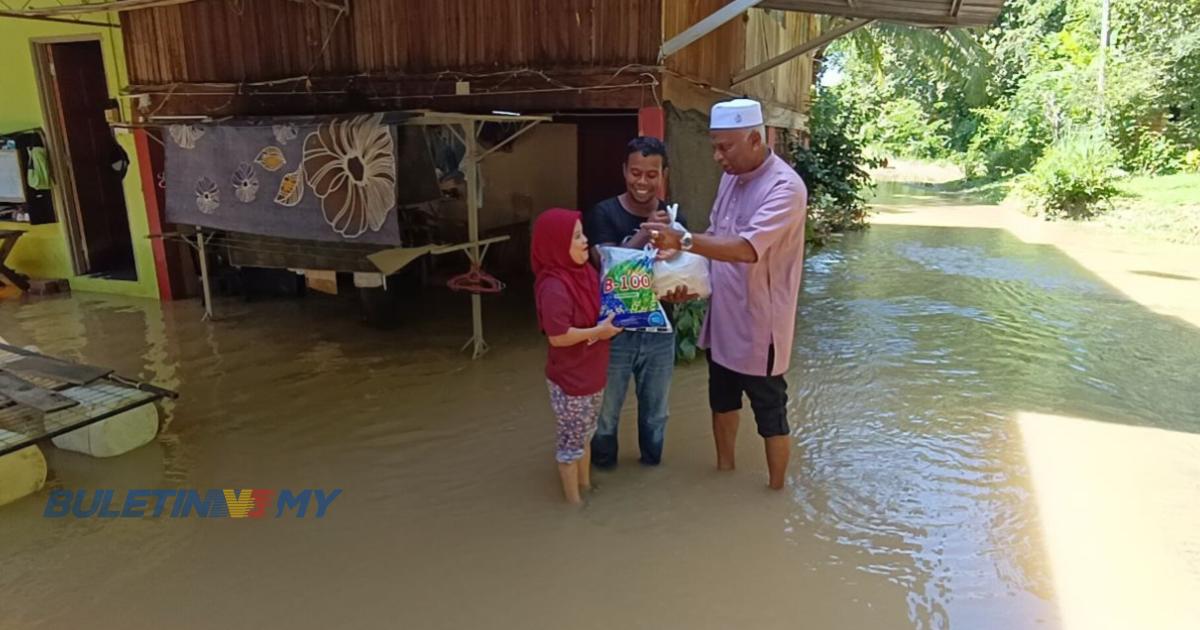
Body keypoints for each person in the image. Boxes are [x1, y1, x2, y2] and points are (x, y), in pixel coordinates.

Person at [644, 99, 808, 490]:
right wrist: (686, 277)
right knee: (721, 400)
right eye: (714, 146)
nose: (718, 157)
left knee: (770, 413)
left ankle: (776, 491)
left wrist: (682, 240)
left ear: (755, 139)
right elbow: (716, 239)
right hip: (722, 316)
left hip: (760, 324)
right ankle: (723, 470)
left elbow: (746, 249)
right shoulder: (731, 176)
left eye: (725, 147)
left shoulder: (786, 188)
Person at [583, 137, 691, 468]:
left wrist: (682, 292)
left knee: (657, 415)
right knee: (606, 414)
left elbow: (681, 268)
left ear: (664, 175)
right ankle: (603, 478)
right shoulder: (603, 213)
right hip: (614, 331)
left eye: (651, 174)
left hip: (661, 330)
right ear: (624, 171)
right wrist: (647, 233)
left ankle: (650, 476)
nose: (642, 182)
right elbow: (606, 268)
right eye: (635, 172)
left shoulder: (675, 215)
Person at [532, 208, 623, 503]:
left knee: (585, 436)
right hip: (571, 381)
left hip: (592, 374)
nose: (585, 241)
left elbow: (602, 313)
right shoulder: (555, 286)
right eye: (577, 236)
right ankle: (574, 506)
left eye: (583, 233)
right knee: (571, 446)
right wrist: (599, 332)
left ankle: (586, 488)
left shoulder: (584, 273)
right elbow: (558, 337)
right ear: (558, 244)